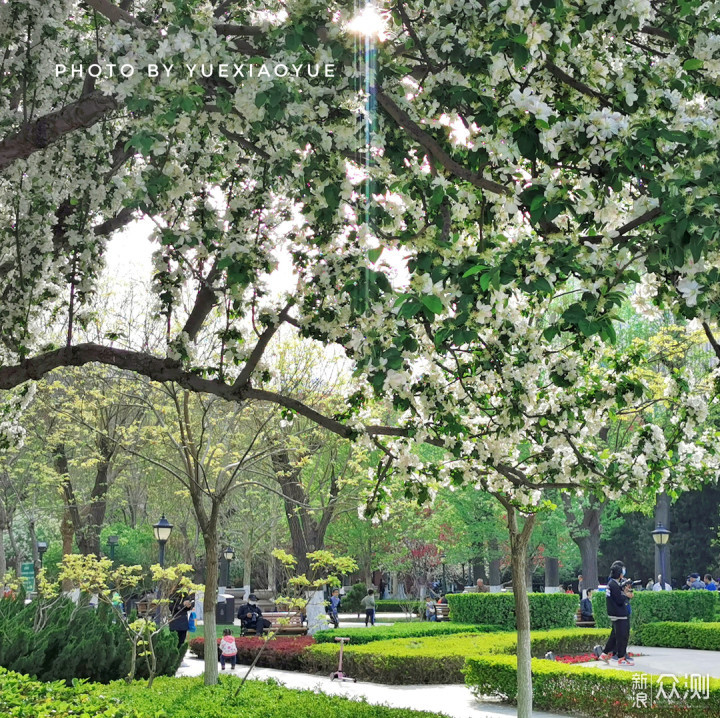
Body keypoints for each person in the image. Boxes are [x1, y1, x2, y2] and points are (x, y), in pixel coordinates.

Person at [599, 561, 634, 666]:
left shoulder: (612, 583)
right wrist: (627, 595)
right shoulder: (613, 584)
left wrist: (625, 591)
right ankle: (621, 658)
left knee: (614, 636)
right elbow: (619, 599)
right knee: (622, 636)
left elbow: (617, 596)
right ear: (619, 573)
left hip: (615, 614)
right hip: (620, 614)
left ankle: (604, 654)